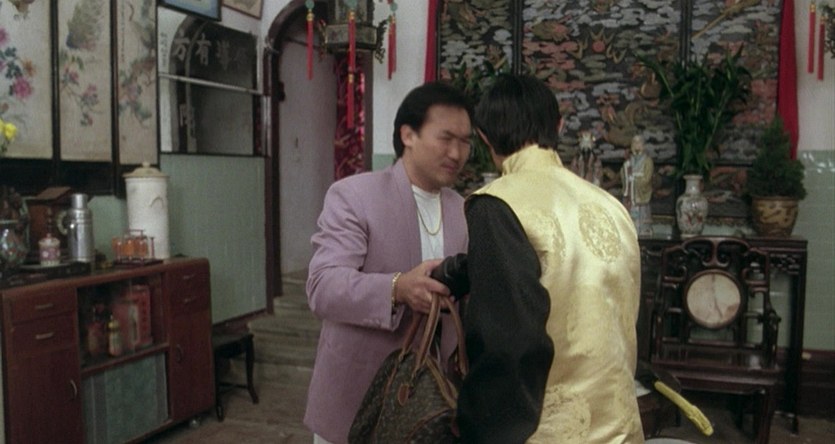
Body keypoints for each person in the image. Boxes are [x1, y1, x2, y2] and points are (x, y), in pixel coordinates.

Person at [456, 74, 644, 443]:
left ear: (484, 137)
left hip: (548, 431)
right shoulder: (612, 206)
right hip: (620, 426)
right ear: (558, 126)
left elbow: (506, 340)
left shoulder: (497, 203)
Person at [304, 81, 473, 444]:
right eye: (446, 138)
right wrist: (398, 288)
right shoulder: (355, 196)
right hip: (357, 401)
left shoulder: (462, 210)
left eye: (465, 141)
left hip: (428, 408)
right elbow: (323, 287)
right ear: (408, 135)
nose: (457, 153)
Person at [621, 134, 654, 236]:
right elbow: (623, 174)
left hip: (640, 195)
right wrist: (626, 172)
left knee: (642, 218)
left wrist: (634, 179)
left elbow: (647, 178)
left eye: (639, 142)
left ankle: (643, 230)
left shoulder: (647, 161)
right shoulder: (629, 161)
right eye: (634, 142)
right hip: (631, 196)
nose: (637, 145)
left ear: (643, 145)